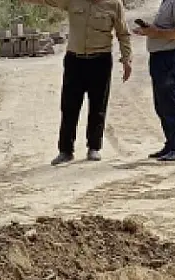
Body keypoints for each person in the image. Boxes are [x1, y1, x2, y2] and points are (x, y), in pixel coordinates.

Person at [23, 0, 133, 165]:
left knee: (98, 106)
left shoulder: (114, 4)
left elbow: (123, 33)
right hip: (75, 60)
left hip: (100, 60)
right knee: (69, 107)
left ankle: (94, 147)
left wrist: (127, 59)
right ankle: (65, 150)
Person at [134, 0, 175, 162]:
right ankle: (171, 144)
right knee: (162, 104)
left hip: (171, 56)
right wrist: (151, 31)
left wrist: (154, 32)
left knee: (170, 102)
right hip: (161, 56)